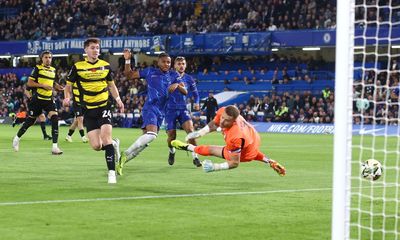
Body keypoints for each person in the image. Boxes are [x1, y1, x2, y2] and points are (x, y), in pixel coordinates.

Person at [63, 38, 124, 184]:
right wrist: (66, 97)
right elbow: (68, 86)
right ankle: (114, 145)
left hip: (104, 106)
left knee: (106, 138)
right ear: (85, 50)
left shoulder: (105, 66)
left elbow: (111, 85)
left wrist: (118, 99)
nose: (96, 50)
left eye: (97, 48)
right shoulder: (78, 67)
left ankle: (111, 173)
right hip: (88, 110)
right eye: (92, 48)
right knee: (97, 146)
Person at [117, 50, 184, 175]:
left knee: (144, 144)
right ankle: (124, 153)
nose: (166, 64)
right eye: (164, 62)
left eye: (169, 62)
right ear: (158, 62)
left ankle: (121, 162)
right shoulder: (150, 71)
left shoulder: (174, 75)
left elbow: (185, 91)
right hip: (150, 107)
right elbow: (129, 75)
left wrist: (178, 86)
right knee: (152, 135)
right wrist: (127, 60)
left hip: (162, 111)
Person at [171, 105, 286, 175]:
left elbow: (235, 163)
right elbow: (215, 122)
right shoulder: (224, 111)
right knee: (252, 152)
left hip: (248, 146)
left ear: (234, 121)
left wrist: (215, 167)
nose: (222, 121)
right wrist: (200, 133)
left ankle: (188, 147)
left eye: (227, 121)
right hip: (252, 139)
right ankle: (271, 161)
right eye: (222, 117)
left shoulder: (235, 136)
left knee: (210, 149)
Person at [12, 50, 63, 154]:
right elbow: (30, 83)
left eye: (50, 57)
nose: (48, 59)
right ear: (42, 59)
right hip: (37, 99)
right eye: (46, 57)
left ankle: (54, 147)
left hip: (48, 99)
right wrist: (43, 86)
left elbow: (52, 81)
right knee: (30, 121)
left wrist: (56, 86)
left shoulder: (53, 70)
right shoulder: (37, 68)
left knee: (55, 118)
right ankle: (17, 138)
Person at [165, 56, 201, 167]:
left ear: (185, 65)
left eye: (183, 64)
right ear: (174, 65)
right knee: (172, 136)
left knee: (191, 132)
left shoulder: (189, 78)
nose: (181, 66)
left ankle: (196, 157)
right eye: (179, 64)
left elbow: (196, 94)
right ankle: (172, 151)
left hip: (183, 109)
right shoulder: (168, 76)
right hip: (169, 110)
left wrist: (197, 102)